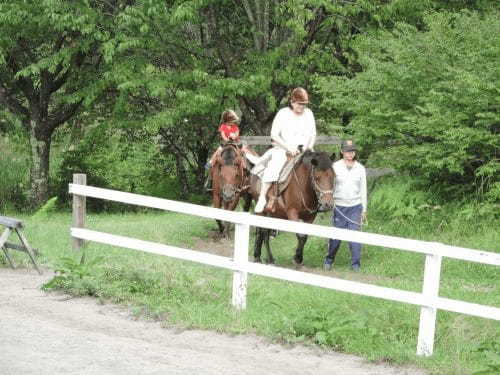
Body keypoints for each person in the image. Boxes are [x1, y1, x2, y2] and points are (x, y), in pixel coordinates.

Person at [245, 87, 316, 213]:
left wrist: (309, 147)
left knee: (320, 167)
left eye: (304, 105)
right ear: (292, 102)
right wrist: (288, 148)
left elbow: (313, 133)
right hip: (284, 149)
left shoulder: (309, 113)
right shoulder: (283, 113)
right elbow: (274, 135)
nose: (302, 107)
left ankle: (319, 199)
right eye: (300, 104)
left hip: (305, 150)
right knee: (275, 165)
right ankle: (262, 196)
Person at [324, 140, 367, 272]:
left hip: (355, 207)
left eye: (352, 151)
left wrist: (364, 209)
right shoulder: (335, 166)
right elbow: (330, 185)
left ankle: (355, 264)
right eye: (348, 151)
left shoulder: (360, 168)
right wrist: (330, 200)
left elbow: (363, 189)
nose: (350, 154)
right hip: (340, 206)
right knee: (336, 237)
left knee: (355, 236)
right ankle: (329, 260)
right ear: (342, 151)